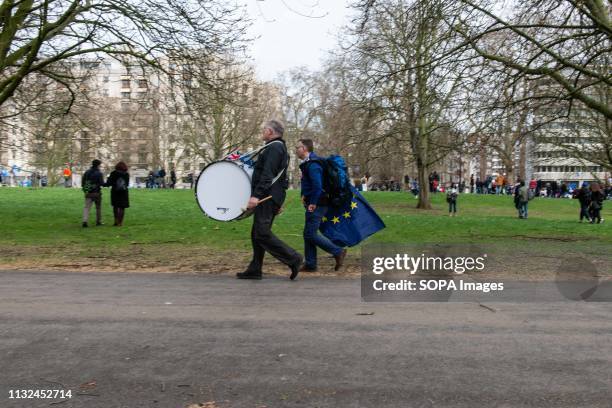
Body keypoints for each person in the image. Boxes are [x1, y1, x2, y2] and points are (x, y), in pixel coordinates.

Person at [237, 120, 303, 280]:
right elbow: (281, 178)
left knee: (261, 233)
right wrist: (278, 200)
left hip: (266, 197)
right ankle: (255, 268)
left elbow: (267, 175)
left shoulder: (274, 148)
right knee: (256, 233)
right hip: (271, 196)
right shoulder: (279, 148)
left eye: (264, 130)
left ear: (270, 132)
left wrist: (256, 196)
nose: (262, 132)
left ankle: (294, 259)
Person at [296, 138, 347, 272]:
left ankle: (338, 251)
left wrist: (312, 202)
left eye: (298, 147)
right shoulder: (309, 163)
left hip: (318, 203)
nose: (296, 150)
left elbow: (317, 186)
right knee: (308, 233)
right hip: (315, 202)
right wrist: (304, 195)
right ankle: (311, 264)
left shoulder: (313, 164)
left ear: (305, 149)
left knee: (310, 234)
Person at [105, 161, 130, 226]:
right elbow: (127, 184)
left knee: (115, 206)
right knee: (122, 207)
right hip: (123, 192)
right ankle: (120, 222)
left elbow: (109, 183)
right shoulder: (126, 174)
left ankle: (115, 221)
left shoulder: (113, 173)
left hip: (115, 191)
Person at [81, 159, 104, 227]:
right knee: (98, 208)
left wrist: (85, 189)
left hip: (88, 192)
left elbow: (83, 182)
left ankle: (85, 221)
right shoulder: (99, 173)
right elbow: (101, 183)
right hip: (97, 192)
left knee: (86, 207)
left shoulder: (87, 172)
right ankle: (98, 221)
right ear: (98, 165)